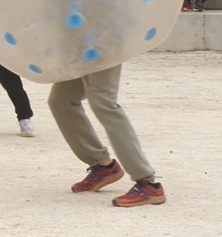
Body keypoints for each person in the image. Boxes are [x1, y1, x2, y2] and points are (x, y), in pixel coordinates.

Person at [47, 64, 165, 207]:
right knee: (61, 100)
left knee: (103, 103)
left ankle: (148, 184)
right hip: (79, 53)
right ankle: (103, 165)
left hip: (103, 52)